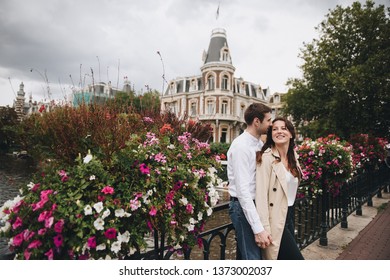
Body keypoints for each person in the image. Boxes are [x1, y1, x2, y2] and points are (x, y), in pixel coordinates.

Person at [227, 103, 272, 259]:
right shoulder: (241, 147)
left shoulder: (259, 144)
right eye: (268, 120)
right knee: (252, 260)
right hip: (243, 207)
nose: (271, 124)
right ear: (257, 121)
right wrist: (258, 229)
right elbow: (243, 191)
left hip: (254, 205)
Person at [255, 117, 304, 260]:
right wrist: (263, 228)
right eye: (275, 129)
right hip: (275, 218)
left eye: (284, 128)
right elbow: (261, 196)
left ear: (291, 134)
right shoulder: (266, 158)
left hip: (289, 214)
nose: (279, 131)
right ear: (271, 135)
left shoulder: (293, 156)